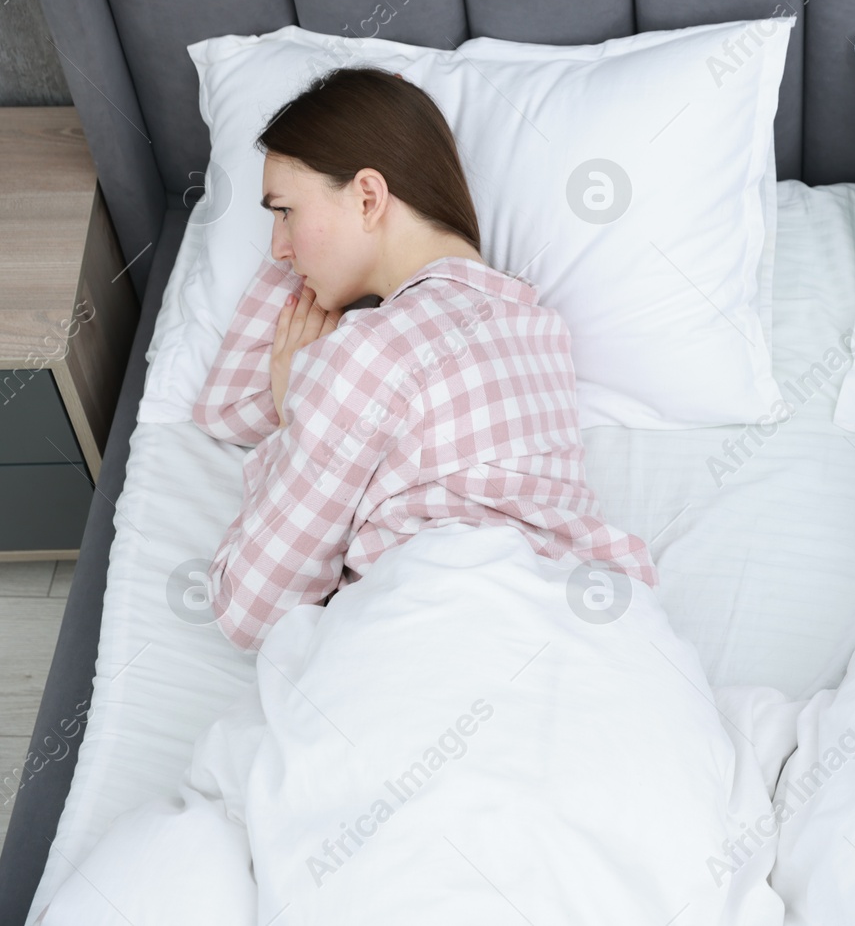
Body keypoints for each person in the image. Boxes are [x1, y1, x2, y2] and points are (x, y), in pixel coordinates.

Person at [192, 67, 654, 651]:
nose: (279, 248)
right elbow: (231, 410)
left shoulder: (363, 353)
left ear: (368, 195)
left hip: (444, 635)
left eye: (283, 213)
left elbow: (249, 611)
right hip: (600, 625)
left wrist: (293, 417)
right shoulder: (539, 325)